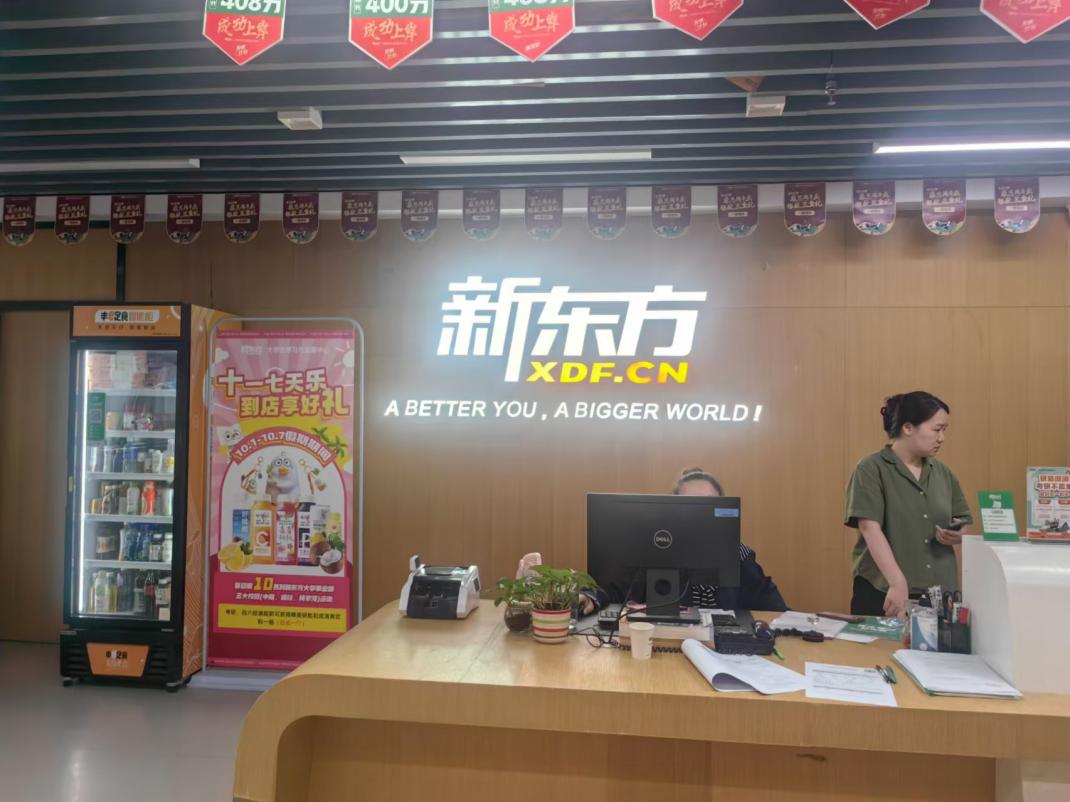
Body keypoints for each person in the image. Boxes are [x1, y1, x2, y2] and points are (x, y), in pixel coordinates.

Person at [578, 468, 788, 614]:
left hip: (723, 650)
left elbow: (772, 605)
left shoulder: (737, 554)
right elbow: (613, 587)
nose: (700, 515)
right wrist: (589, 597)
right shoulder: (654, 549)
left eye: (708, 505)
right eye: (691, 505)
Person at [845, 391, 972, 618]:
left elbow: (964, 521)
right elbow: (869, 528)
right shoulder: (871, 468)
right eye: (936, 429)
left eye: (944, 430)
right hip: (884, 591)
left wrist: (958, 533)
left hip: (938, 594)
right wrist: (897, 583)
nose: (942, 438)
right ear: (908, 428)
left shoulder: (943, 473)